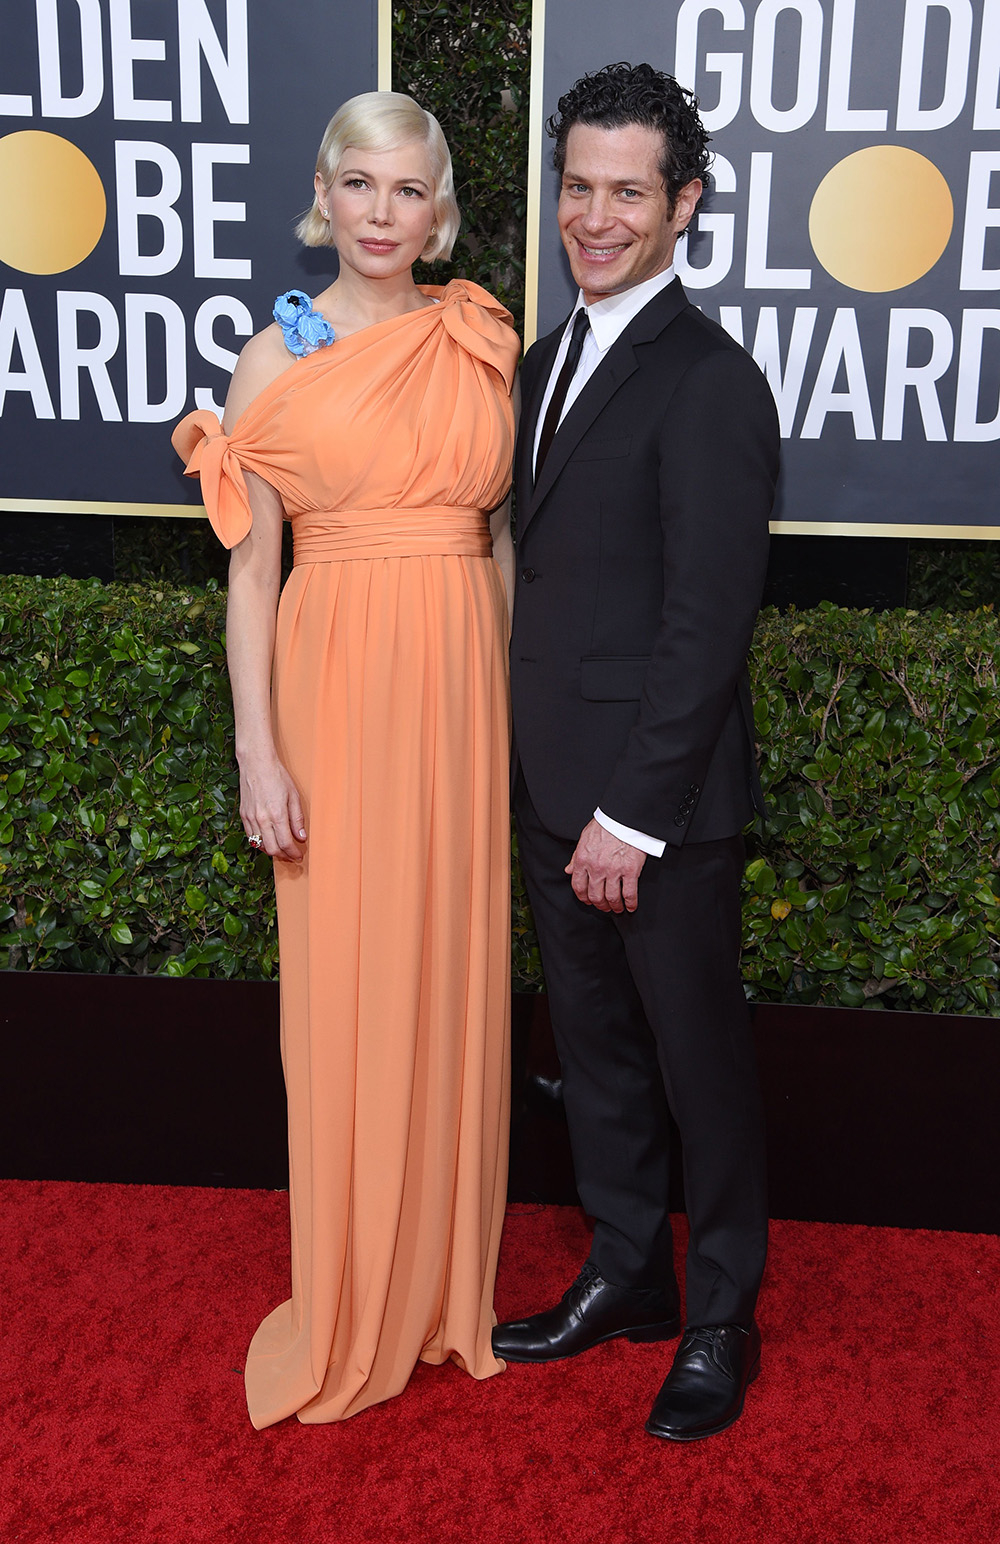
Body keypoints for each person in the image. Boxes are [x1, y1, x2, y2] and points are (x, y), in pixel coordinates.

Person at [172, 91, 520, 1427]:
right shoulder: (279, 358)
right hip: (338, 682)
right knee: (355, 975)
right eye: (362, 188)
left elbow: (498, 544)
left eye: (411, 192)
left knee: (452, 970)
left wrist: (517, 703)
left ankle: (440, 1281)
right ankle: (359, 1286)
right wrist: (260, 751)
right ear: (326, 193)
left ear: (440, 207)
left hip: (461, 688)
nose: (385, 216)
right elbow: (253, 573)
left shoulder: (479, 335)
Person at [493, 62, 780, 1441]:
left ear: (685, 205)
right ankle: (626, 1273)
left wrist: (634, 816)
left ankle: (720, 1311)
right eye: (576, 188)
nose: (593, 219)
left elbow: (704, 625)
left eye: (626, 192)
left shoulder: (712, 382)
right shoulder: (544, 362)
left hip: (649, 809)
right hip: (549, 785)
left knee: (694, 1062)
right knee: (597, 1053)